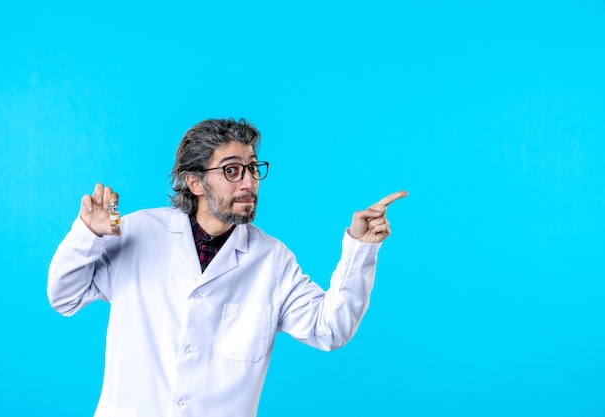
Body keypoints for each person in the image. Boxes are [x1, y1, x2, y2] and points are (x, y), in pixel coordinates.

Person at [47, 118, 407, 417]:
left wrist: (360, 249)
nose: (249, 182)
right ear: (195, 181)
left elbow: (330, 329)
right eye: (232, 171)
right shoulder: (139, 231)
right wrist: (89, 234)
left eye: (252, 168)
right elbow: (64, 297)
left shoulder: (272, 259)